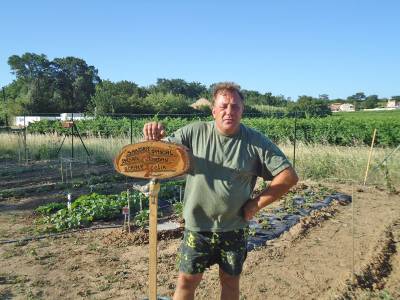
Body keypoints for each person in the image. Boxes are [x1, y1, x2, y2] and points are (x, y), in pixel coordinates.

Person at [143, 82, 298, 300]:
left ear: (242, 111)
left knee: (230, 282)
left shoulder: (255, 142)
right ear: (213, 110)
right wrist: (154, 139)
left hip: (233, 228)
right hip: (198, 227)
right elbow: (159, 157)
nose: (229, 112)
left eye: (235, 107)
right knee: (187, 281)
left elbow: (288, 176)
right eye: (223, 106)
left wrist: (256, 204)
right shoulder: (193, 132)